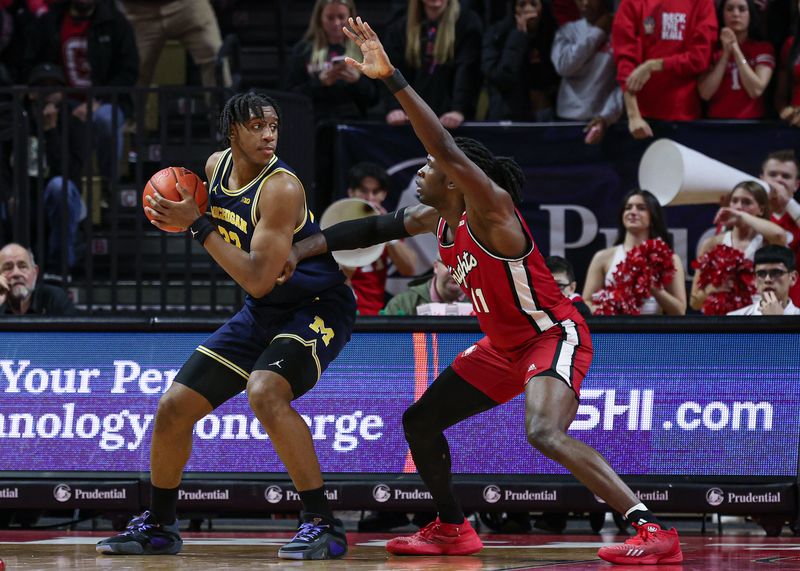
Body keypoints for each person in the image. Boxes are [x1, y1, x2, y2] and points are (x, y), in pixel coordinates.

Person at [281, 16, 685, 564]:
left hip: (551, 334)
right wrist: (303, 248)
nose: (422, 171)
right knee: (419, 421)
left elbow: (442, 144)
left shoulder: (493, 212)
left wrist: (392, 77)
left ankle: (650, 528)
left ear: (455, 176)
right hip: (502, 346)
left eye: (430, 166)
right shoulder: (434, 218)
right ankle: (452, 526)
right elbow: (374, 228)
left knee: (543, 431)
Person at [96, 91, 355, 560]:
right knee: (173, 407)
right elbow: (243, 270)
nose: (269, 134)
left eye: (273, 125)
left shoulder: (281, 188)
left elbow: (257, 279)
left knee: (266, 391)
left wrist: (197, 226)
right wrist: (174, 213)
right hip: (264, 312)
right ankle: (159, 524)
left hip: (317, 305)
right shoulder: (214, 168)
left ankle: (323, 524)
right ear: (232, 131)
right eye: (256, 126)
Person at [23, 0, 139, 182]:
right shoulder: (51, 21)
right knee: (43, 118)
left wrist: (97, 100)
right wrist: (48, 91)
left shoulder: (115, 23)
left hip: (104, 101)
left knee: (106, 120)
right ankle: (55, 186)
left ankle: (108, 187)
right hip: (60, 100)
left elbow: (128, 71)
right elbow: (32, 62)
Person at [612, 0, 717, 139]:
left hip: (685, 115)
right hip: (642, 117)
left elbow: (700, 58)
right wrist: (633, 115)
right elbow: (625, 59)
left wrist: (654, 65)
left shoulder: (701, 3)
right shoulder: (632, 3)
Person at [583, 190, 687, 315]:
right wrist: (608, 309)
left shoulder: (669, 259)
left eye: (641, 208)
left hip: (653, 332)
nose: (632, 212)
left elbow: (680, 311)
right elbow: (585, 304)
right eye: (628, 208)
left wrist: (654, 289)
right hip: (613, 332)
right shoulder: (603, 257)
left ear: (653, 217)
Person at [25, 63, 87, 276]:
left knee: (59, 187)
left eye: (54, 87)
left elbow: (70, 173)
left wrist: (51, 131)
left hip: (63, 197)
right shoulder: (20, 120)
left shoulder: (73, 121)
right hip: (27, 195)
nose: (49, 93)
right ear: (32, 93)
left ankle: (58, 267)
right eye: (42, 86)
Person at [383, 0, 483, 128]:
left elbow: (468, 70)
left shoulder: (467, 21)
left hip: (451, 119)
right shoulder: (400, 23)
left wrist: (459, 109)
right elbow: (391, 69)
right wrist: (394, 107)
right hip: (411, 118)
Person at [690, 181, 787, 311]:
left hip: (758, 319)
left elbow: (780, 235)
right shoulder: (712, 244)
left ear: (761, 209)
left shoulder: (767, 242)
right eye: (734, 201)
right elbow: (694, 303)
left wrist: (742, 215)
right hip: (721, 323)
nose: (738, 206)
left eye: (746, 202)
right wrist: (711, 289)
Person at [285, 0, 378, 122]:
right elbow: (290, 96)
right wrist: (320, 82)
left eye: (341, 17)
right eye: (330, 18)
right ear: (319, 18)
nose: (336, 23)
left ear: (350, 17)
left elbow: (375, 99)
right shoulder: (303, 50)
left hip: (354, 121)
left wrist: (357, 81)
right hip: (314, 122)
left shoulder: (363, 49)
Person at [344, 162, 416, 315]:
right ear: (351, 192)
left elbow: (409, 269)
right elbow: (335, 278)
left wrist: (388, 232)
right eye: (363, 191)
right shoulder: (335, 222)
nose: (369, 198)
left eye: (375, 192)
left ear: (383, 195)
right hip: (343, 310)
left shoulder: (387, 229)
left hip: (375, 314)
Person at [551, 0, 622, 143]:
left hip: (604, 120)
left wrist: (607, 116)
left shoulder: (619, 32)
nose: (585, 3)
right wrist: (597, 32)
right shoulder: (568, 30)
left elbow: (624, 81)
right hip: (567, 119)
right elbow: (564, 66)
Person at [118, 0, 230, 88]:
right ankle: (130, 116)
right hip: (137, 10)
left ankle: (223, 112)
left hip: (187, 5)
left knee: (213, 54)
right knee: (134, 70)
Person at [482, 0, 560, 122]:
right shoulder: (497, 35)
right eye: (522, 4)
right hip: (510, 117)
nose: (528, 10)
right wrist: (518, 36)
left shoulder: (553, 33)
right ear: (514, 9)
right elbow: (501, 78)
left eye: (533, 4)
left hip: (546, 115)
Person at [698, 0, 774, 119]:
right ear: (722, 14)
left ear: (750, 14)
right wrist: (725, 55)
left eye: (742, 9)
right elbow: (705, 93)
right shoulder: (712, 50)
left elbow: (756, 90)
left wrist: (735, 49)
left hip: (752, 125)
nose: (736, 14)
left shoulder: (763, 48)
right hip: (716, 124)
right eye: (729, 9)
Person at [760, 149, 800, 305]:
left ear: (796, 185)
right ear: (762, 179)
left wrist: (788, 203)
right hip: (756, 304)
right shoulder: (749, 215)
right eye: (773, 174)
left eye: (786, 176)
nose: (779, 180)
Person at [0, 242, 76, 315]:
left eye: (23, 266)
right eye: (8, 268)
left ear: (35, 273)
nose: (16, 273)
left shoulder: (54, 299)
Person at [728, 244, 799, 314]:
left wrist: (776, 321)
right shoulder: (734, 318)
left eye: (776, 273)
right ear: (754, 280)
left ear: (793, 278)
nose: (767, 279)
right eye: (761, 274)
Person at [383, 256, 466, 315]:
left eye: (464, 265)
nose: (456, 271)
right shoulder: (401, 303)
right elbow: (385, 338)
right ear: (436, 267)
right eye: (449, 264)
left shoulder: (478, 300)